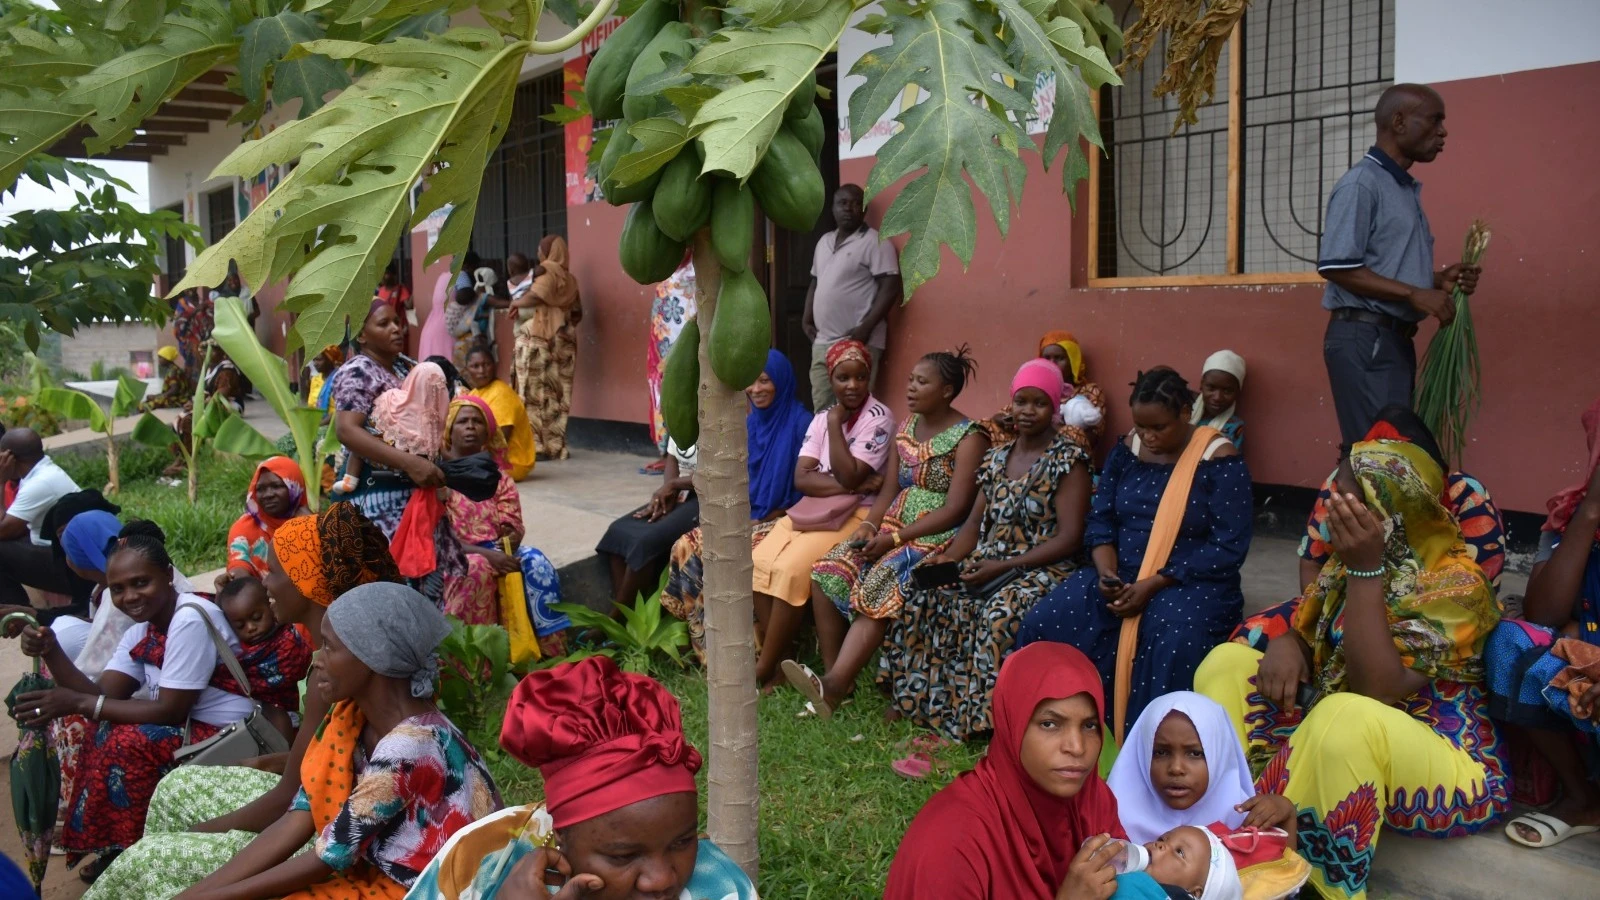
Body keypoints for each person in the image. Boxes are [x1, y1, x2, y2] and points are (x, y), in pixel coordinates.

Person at [1194, 435, 1509, 900]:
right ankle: (1225, 824)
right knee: (1227, 662)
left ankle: (1304, 883)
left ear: (1389, 508)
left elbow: (1375, 690)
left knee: (1346, 715)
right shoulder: (1341, 567)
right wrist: (1290, 642)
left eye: (1346, 498)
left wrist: (1367, 569)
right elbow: (1308, 626)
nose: (1329, 507)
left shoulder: (1460, 588)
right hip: (1331, 720)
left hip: (1441, 757)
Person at [84, 504, 405, 900]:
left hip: (330, 839)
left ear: (308, 581)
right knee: (178, 786)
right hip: (315, 816)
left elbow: (296, 805)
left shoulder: (338, 674)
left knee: (146, 860)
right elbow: (309, 777)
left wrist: (191, 838)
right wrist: (266, 764)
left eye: (273, 572)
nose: (264, 582)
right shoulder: (335, 658)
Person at [166, 583, 501, 900]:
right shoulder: (351, 719)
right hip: (378, 870)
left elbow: (325, 858)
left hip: (428, 888)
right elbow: (300, 815)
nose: (318, 660)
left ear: (373, 657)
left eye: (329, 646)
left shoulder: (410, 746)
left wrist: (208, 897)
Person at [403, 655, 757, 899]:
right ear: (559, 835)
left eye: (682, 842)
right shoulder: (478, 864)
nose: (662, 879)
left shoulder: (721, 887)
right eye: (622, 856)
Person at [1017, 368, 1251, 736]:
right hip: (1121, 572)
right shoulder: (1127, 450)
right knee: (1045, 621)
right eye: (1141, 426)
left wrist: (1153, 584)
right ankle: (1047, 733)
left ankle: (1149, 751)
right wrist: (1107, 572)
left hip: (1188, 580)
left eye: (1159, 427)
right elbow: (1102, 518)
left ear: (1186, 414)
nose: (1149, 436)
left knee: (1171, 639)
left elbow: (1227, 546)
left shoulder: (1217, 457)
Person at [14, 530, 253, 882]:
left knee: (129, 743)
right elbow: (103, 693)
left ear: (169, 575)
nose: (130, 597)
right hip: (192, 728)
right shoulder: (144, 630)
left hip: (231, 734)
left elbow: (169, 710)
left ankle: (132, 850)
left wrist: (78, 702)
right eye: (119, 589)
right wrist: (51, 649)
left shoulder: (188, 617)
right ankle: (120, 848)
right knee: (102, 727)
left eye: (141, 582)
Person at [878, 360, 1091, 739]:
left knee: (998, 613)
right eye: (1020, 401)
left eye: (1038, 403)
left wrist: (1004, 564)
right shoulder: (996, 458)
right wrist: (949, 558)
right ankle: (915, 698)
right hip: (989, 560)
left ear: (1054, 407)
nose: (1027, 411)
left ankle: (979, 720)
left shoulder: (1068, 461)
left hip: (1041, 567)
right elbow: (975, 524)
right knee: (925, 593)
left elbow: (1070, 538)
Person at [785, 349, 988, 716]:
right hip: (891, 525)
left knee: (881, 578)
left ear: (946, 390)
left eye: (921, 382)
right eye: (910, 379)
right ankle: (836, 679)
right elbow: (890, 489)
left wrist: (895, 539)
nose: (910, 387)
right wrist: (868, 526)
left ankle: (830, 687)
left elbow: (956, 508)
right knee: (829, 569)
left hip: (934, 536)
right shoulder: (907, 427)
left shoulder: (969, 437)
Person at [1233, 405, 1507, 652]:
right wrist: (1306, 635)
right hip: (1338, 604)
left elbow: (1479, 597)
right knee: (1249, 639)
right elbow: (1313, 563)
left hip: (1433, 623)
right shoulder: (1340, 484)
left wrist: (1367, 576)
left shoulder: (1466, 497)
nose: (1349, 508)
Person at [886, 642, 1126, 899]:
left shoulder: (1093, 800)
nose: (1077, 747)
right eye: (1049, 724)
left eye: (1089, 726)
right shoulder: (953, 841)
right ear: (1012, 723)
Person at [1318, 83, 1481, 448]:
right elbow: (1336, 266)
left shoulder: (1402, 187)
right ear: (1399, 121)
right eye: (1434, 120)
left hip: (1389, 340)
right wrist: (1414, 293)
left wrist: (1437, 281)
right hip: (1366, 340)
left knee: (1389, 455)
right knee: (1377, 456)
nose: (1443, 131)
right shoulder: (1362, 184)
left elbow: (1384, 265)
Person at [1482, 397, 1600, 847]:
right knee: (1511, 640)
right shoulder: (1571, 516)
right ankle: (1582, 797)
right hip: (1588, 676)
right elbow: (1545, 615)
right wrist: (1590, 511)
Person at [752, 339, 892, 689]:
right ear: (831, 380)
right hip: (811, 510)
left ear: (869, 377)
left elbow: (849, 472)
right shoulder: (820, 417)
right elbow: (803, 478)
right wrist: (853, 481)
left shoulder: (879, 419)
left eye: (860, 377)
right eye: (843, 378)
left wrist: (834, 430)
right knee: (755, 560)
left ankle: (764, 670)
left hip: (855, 515)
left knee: (788, 568)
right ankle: (782, 664)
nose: (852, 386)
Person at [661, 349, 811, 663]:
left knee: (739, 554)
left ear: (781, 382)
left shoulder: (801, 425)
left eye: (765, 380)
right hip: (745, 516)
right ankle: (705, 647)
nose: (756, 389)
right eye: (751, 382)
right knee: (685, 546)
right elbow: (731, 478)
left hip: (784, 522)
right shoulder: (749, 425)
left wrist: (764, 519)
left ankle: (755, 650)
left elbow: (806, 494)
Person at [331, 301, 465, 602]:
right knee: (393, 596)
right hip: (378, 499)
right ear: (362, 336)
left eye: (397, 321)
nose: (395, 328)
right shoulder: (359, 370)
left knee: (426, 594)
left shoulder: (405, 366)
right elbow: (347, 429)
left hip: (417, 498)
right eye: (384, 324)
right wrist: (409, 464)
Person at [440, 396, 567, 650]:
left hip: (496, 550)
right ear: (449, 430)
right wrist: (487, 555)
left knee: (535, 561)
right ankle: (473, 662)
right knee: (475, 568)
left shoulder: (499, 478)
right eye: (462, 421)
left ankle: (548, 652)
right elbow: (440, 535)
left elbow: (512, 522)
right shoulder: (438, 478)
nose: (470, 427)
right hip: (455, 552)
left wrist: (512, 536)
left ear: (487, 431)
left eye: (477, 421)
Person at [1106, 692, 1295, 846]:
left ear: (1219, 758)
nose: (1176, 768)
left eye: (1195, 753)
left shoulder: (1247, 821)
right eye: (1161, 753)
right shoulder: (1109, 825)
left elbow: (1282, 882)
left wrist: (1287, 816)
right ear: (1142, 754)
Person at [802, 185, 900, 409]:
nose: (849, 208)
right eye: (843, 203)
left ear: (864, 209)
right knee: (822, 409)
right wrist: (807, 318)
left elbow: (890, 286)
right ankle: (827, 446)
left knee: (854, 408)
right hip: (822, 341)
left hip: (857, 340)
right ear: (833, 208)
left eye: (856, 203)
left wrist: (865, 328)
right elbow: (815, 282)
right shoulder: (824, 241)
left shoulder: (876, 241)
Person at [595, 437, 699, 610]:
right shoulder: (681, 417)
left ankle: (615, 620)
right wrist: (668, 492)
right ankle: (626, 614)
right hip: (679, 491)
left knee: (644, 542)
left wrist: (673, 485)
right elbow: (672, 459)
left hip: (706, 497)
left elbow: (714, 473)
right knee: (619, 531)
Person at [0, 426, 89, 621]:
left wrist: (0, 480)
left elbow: (2, 531)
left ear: (9, 457)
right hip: (64, 555)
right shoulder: (39, 472)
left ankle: (20, 616)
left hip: (77, 569)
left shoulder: (40, 483)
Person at [512, 235, 582, 460]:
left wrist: (516, 303)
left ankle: (537, 446)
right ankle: (556, 444)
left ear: (548, 253)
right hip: (566, 339)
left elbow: (535, 296)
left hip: (541, 340)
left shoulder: (547, 271)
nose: (539, 254)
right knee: (560, 394)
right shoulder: (570, 279)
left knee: (534, 393)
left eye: (541, 250)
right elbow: (579, 312)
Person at [333, 360, 450, 496]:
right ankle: (350, 480)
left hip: (407, 485)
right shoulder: (359, 370)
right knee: (359, 449)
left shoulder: (403, 368)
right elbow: (347, 431)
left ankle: (350, 479)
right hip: (376, 479)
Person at [214, 577, 311, 740]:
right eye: (240, 626)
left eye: (257, 617)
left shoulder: (287, 640)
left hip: (298, 715)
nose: (251, 628)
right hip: (262, 718)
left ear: (270, 606)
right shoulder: (241, 648)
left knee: (276, 713)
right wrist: (219, 596)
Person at [222, 457, 311, 583]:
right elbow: (238, 564)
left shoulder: (311, 525)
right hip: (259, 597)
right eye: (260, 489)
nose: (268, 494)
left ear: (295, 487)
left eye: (276, 486)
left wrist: (311, 525)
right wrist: (239, 581)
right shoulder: (244, 528)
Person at [646, 256, 696, 472]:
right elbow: (659, 320)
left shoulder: (703, 277)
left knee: (689, 395)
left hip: (691, 350)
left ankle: (685, 455)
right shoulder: (665, 282)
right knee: (665, 395)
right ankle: (668, 453)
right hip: (664, 348)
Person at [464, 344, 536, 480]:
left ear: (495, 365)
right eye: (475, 366)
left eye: (487, 364)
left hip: (511, 463)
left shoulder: (501, 393)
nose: (482, 370)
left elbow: (501, 441)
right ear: (466, 370)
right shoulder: (474, 393)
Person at [1038, 330, 1108, 444]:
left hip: (1070, 455)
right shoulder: (1037, 390)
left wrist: (1055, 428)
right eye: (1046, 358)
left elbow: (1093, 437)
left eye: (1059, 358)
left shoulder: (1090, 392)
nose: (1052, 363)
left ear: (1073, 361)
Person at [1191, 350, 1246, 452]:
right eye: (1211, 388)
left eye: (1227, 391)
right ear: (1201, 384)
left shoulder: (1234, 428)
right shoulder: (1185, 412)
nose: (1217, 397)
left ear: (1237, 392)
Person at [170, 288, 213, 380]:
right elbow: (178, 323)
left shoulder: (203, 302)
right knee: (194, 368)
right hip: (190, 343)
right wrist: (196, 310)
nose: (190, 290)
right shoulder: (182, 303)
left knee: (207, 366)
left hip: (205, 340)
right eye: (187, 288)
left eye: (192, 287)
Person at [144, 345, 195, 412]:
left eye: (160, 358)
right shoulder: (173, 369)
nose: (159, 360)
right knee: (148, 399)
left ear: (167, 358)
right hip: (177, 399)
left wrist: (159, 397)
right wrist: (156, 396)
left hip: (177, 401)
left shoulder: (173, 371)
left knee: (144, 406)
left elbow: (174, 390)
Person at [300, 345, 343, 413]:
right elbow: (311, 405)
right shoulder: (315, 380)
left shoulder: (340, 379)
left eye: (319, 360)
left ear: (330, 360)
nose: (315, 363)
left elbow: (340, 410)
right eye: (314, 360)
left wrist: (321, 423)